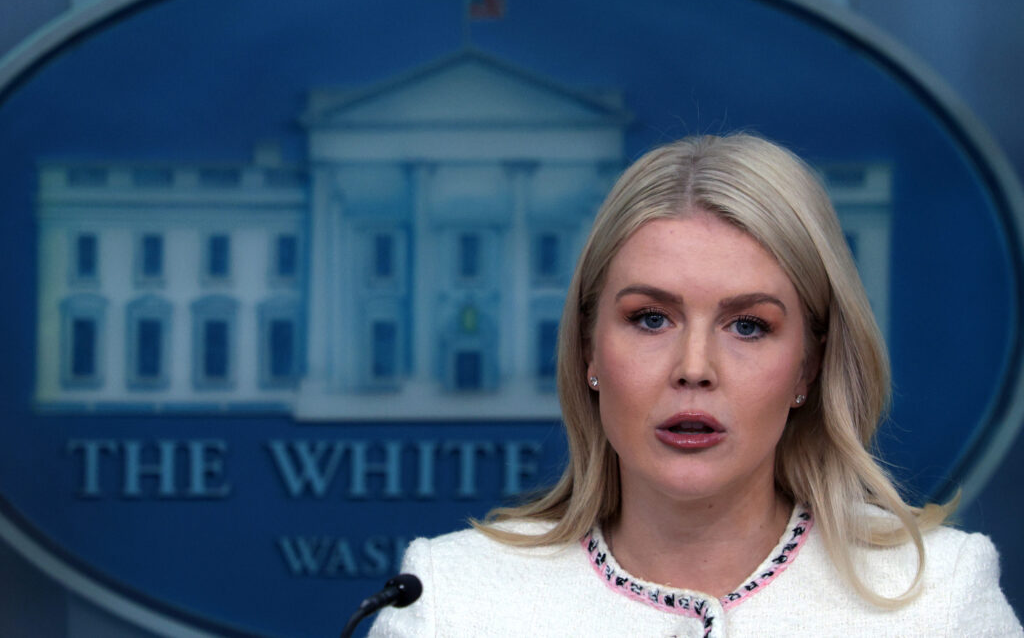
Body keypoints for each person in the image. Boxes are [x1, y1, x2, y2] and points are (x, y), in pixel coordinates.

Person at [369, 134, 1022, 636]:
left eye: (748, 325)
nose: (694, 365)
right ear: (587, 348)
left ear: (808, 366)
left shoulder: (937, 593)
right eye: (650, 318)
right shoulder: (449, 598)